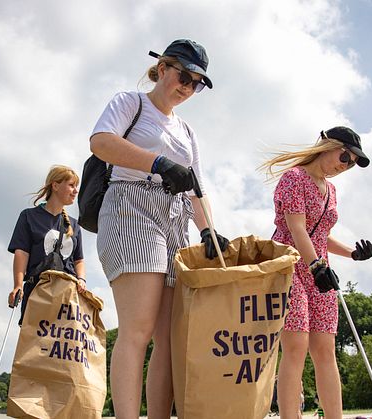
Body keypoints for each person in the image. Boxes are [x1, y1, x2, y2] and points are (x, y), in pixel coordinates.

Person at [89, 39, 228, 418]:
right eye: (184, 75)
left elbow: (198, 188)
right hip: (131, 206)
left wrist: (208, 232)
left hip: (176, 219)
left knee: (170, 338)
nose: (188, 87)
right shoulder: (129, 103)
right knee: (138, 328)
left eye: (197, 83)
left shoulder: (187, 131)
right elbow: (101, 142)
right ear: (163, 68)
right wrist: (158, 163)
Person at [259, 127, 372, 419]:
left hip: (320, 271)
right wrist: (315, 266)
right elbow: (297, 228)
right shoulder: (294, 178)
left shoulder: (331, 190)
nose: (345, 165)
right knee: (296, 345)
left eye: (351, 163)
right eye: (345, 156)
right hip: (291, 268)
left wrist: (353, 253)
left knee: (325, 348)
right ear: (327, 146)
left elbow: (321, 235)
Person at [7, 165, 86, 325]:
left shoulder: (75, 225)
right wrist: (17, 285)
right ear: (55, 185)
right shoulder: (29, 216)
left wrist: (82, 280)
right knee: (34, 343)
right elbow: (21, 253)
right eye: (71, 185)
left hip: (67, 294)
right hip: (38, 291)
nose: (76, 191)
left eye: (76, 186)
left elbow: (78, 260)